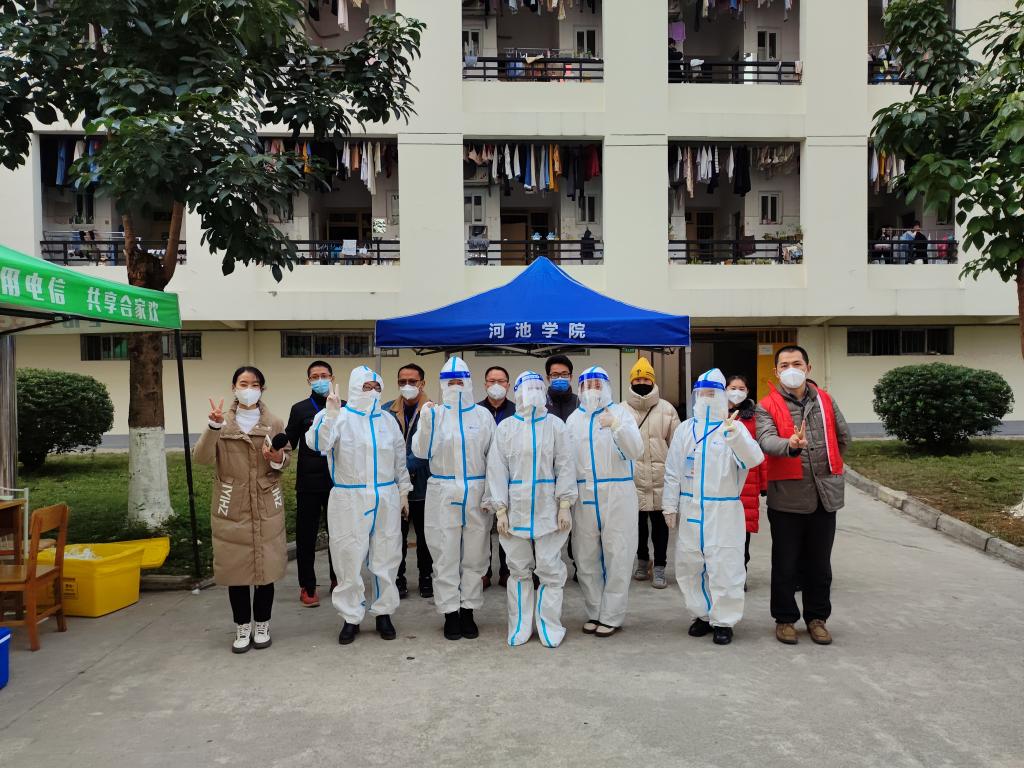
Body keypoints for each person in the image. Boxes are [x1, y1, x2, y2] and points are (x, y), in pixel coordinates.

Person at [306, 366, 412, 645]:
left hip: (385, 496)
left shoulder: (388, 421)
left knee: (387, 555)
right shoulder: (337, 416)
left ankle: (383, 612)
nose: (373, 392)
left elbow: (399, 459)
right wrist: (329, 415)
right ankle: (350, 616)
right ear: (354, 388)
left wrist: (403, 491)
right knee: (348, 557)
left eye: (377, 388)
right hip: (348, 497)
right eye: (366, 387)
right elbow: (317, 443)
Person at [755, 346, 851, 646]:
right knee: (785, 564)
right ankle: (785, 619)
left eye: (797, 363)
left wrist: (827, 466)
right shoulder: (766, 406)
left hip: (825, 495)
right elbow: (766, 440)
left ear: (808, 368)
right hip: (787, 498)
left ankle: (817, 618)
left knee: (819, 564)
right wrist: (791, 445)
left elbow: (843, 437)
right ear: (776, 372)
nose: (791, 369)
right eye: (784, 365)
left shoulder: (825, 400)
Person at [663, 369, 764, 646]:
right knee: (690, 564)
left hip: (723, 509)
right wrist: (669, 505)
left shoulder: (733, 428)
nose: (707, 398)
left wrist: (735, 436)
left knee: (725, 565)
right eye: (703, 393)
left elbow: (754, 459)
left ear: (722, 396)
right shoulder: (685, 429)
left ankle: (724, 621)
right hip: (691, 507)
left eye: (713, 393)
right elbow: (672, 470)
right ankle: (701, 614)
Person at [195, 366, 290, 653]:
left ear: (263, 389)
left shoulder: (274, 422)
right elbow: (202, 458)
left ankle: (262, 624)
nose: (249, 389)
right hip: (231, 504)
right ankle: (242, 626)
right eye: (244, 383)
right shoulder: (222, 423)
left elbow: (285, 462)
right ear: (234, 387)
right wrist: (213, 427)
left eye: (255, 384)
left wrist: (276, 458)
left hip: (266, 502)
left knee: (265, 569)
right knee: (235, 571)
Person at [485, 371, 578, 647]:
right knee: (518, 570)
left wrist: (565, 504)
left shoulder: (555, 425)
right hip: (516, 510)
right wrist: (500, 509)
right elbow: (497, 470)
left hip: (549, 509)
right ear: (517, 393)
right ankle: (520, 625)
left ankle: (550, 626)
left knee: (550, 569)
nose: (533, 393)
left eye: (538, 387)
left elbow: (565, 464)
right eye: (528, 388)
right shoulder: (506, 428)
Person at [412, 357, 496, 641]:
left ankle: (468, 610)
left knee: (475, 555)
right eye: (450, 382)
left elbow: (493, 459)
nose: (455, 386)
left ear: (469, 382)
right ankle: (450, 612)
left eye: (460, 381)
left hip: (475, 489)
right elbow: (421, 452)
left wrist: (491, 494)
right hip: (442, 489)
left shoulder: (483, 416)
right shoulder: (434, 414)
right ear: (442, 384)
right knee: (444, 554)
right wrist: (425, 423)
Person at [566, 366, 643, 637]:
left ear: (607, 387)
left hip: (618, 492)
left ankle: (612, 615)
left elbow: (636, 450)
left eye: (597, 385)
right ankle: (595, 611)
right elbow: (565, 460)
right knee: (585, 555)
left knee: (618, 554)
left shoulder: (621, 413)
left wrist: (617, 427)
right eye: (587, 386)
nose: (592, 391)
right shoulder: (573, 420)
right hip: (584, 494)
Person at [285, 360, 339, 607]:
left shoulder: (344, 406)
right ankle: (307, 585)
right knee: (306, 536)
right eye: (315, 376)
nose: (320, 380)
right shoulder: (300, 409)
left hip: (338, 480)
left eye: (324, 375)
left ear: (332, 378)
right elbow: (290, 442)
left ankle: (338, 579)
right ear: (308, 381)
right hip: (308, 482)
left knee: (338, 534)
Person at [623, 357, 680, 589]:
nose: (641, 383)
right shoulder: (621, 410)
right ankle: (642, 560)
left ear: (653, 381)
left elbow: (677, 445)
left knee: (660, 527)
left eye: (646, 379)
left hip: (661, 479)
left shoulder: (667, 409)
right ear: (631, 381)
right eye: (637, 380)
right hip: (632, 479)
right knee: (636, 526)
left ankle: (660, 566)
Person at [383, 363, 434, 600]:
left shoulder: (433, 411)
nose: (407, 385)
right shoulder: (386, 411)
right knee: (396, 536)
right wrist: (397, 473)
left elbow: (429, 449)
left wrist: (401, 468)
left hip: (423, 483)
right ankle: (398, 577)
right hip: (394, 486)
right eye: (402, 381)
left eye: (412, 381)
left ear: (422, 383)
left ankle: (426, 577)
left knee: (425, 537)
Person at [725, 374, 768, 580]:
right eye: (733, 388)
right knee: (723, 530)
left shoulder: (754, 418)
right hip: (723, 479)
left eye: (741, 388)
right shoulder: (716, 414)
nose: (737, 392)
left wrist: (764, 484)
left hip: (748, 483)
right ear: (725, 390)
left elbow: (762, 452)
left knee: (743, 531)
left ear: (748, 391)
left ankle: (740, 573)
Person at [479, 365, 515, 588]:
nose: (496, 385)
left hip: (509, 477)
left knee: (506, 524)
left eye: (501, 381)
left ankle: (507, 570)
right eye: (491, 381)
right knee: (481, 527)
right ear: (485, 384)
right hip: (480, 477)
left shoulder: (517, 411)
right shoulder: (475, 411)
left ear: (508, 385)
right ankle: (483, 572)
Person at [545, 354, 579, 422]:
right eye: (555, 375)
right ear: (548, 378)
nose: (560, 378)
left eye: (564, 374)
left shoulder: (579, 403)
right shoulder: (541, 404)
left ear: (571, 377)